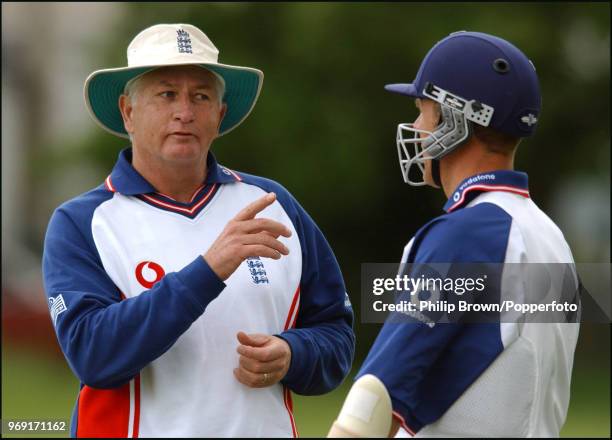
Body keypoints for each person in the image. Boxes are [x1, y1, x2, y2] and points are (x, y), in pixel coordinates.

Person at [42, 23, 355, 438]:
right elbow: (93, 355)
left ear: (220, 115)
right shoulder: (80, 222)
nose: (185, 111)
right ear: (128, 112)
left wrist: (293, 354)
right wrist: (209, 269)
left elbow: (336, 334)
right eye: (167, 93)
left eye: (201, 96)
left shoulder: (274, 203)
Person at [328, 31, 579, 437]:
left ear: (452, 119)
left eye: (423, 112)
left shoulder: (469, 233)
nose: (415, 127)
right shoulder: (550, 235)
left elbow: (375, 402)